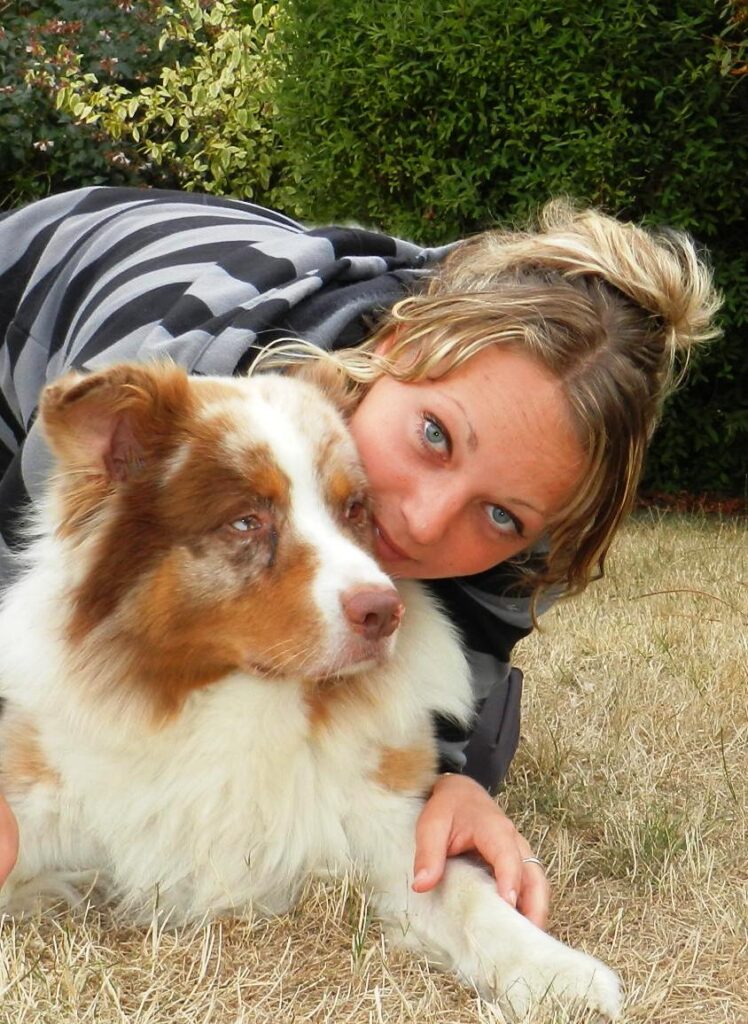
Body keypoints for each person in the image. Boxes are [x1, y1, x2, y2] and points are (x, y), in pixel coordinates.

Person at [0, 187, 720, 929]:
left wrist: (456, 781)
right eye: (435, 436)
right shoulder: (156, 391)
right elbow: (52, 606)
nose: (425, 523)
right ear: (391, 350)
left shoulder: (532, 494)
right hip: (35, 279)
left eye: (501, 515)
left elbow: (454, 683)